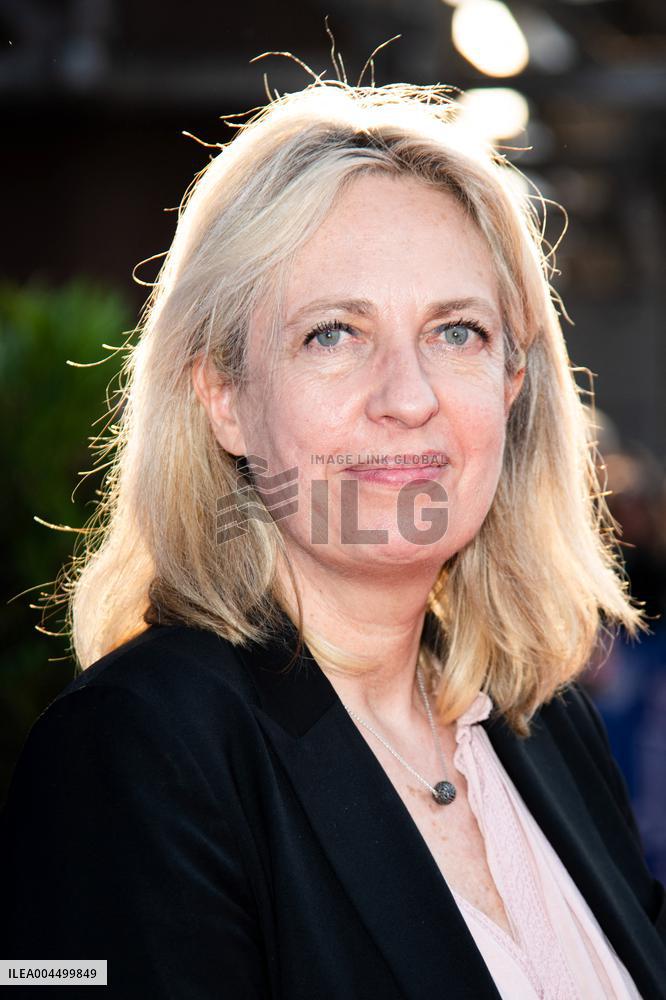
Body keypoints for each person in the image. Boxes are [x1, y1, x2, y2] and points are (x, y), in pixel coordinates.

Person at [2, 79, 665, 1000]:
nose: (407, 395)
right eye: (332, 335)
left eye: (458, 332)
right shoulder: (135, 753)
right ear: (223, 398)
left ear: (514, 386)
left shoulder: (544, 725)